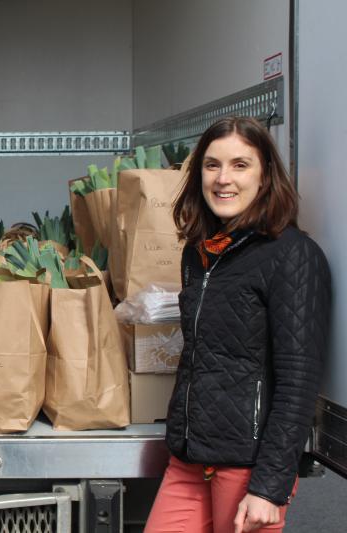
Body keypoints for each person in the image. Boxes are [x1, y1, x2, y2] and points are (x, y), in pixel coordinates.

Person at [144, 116, 331, 533]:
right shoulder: (199, 254)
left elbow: (298, 382)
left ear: (265, 175)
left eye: (240, 165)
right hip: (190, 460)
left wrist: (269, 487)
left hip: (248, 467)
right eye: (212, 165)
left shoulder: (293, 256)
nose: (223, 179)